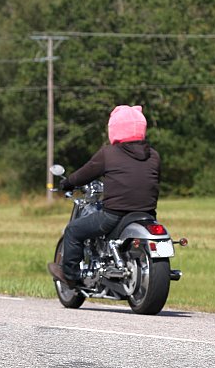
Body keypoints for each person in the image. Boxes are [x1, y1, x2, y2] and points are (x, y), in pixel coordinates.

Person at [47, 104, 161, 287]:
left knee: (73, 231)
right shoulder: (154, 155)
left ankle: (70, 276)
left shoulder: (109, 153)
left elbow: (85, 173)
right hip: (147, 215)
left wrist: (67, 183)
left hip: (114, 214)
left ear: (115, 128)